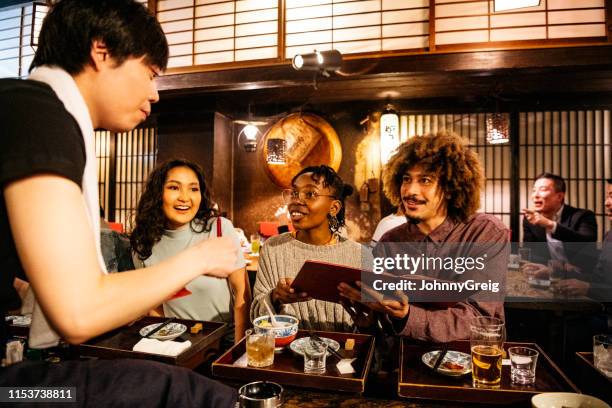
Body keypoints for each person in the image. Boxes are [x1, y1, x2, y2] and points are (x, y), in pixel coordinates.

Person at [0, 1, 237, 406]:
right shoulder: (36, 114)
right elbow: (79, 314)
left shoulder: (30, 107)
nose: (154, 94)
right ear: (102, 50)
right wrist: (199, 258)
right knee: (188, 394)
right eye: (149, 73)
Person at [338, 131, 508, 343]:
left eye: (425, 180)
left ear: (449, 187)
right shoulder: (390, 243)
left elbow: (479, 318)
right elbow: (386, 322)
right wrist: (370, 319)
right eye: (406, 179)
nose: (410, 190)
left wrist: (408, 315)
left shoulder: (485, 233)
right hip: (404, 363)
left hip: (471, 363)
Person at [131, 158, 250, 344]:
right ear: (157, 193)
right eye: (174, 187)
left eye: (193, 189)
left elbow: (242, 293)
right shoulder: (143, 242)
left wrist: (238, 349)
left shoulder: (219, 229)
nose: (185, 198)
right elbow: (154, 306)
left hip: (222, 344)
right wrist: (169, 346)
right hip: (178, 347)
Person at [250, 165, 365, 332]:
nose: (296, 200)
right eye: (294, 193)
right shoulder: (273, 248)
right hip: (286, 352)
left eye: (310, 194)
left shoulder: (358, 254)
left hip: (344, 354)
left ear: (334, 208)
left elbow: (373, 326)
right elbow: (256, 316)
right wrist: (275, 297)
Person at [522, 173, 597, 272]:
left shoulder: (583, 216)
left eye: (542, 189)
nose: (535, 195)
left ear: (559, 196)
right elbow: (530, 252)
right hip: (546, 274)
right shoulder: (530, 219)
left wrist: (550, 224)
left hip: (580, 276)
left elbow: (586, 242)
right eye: (534, 190)